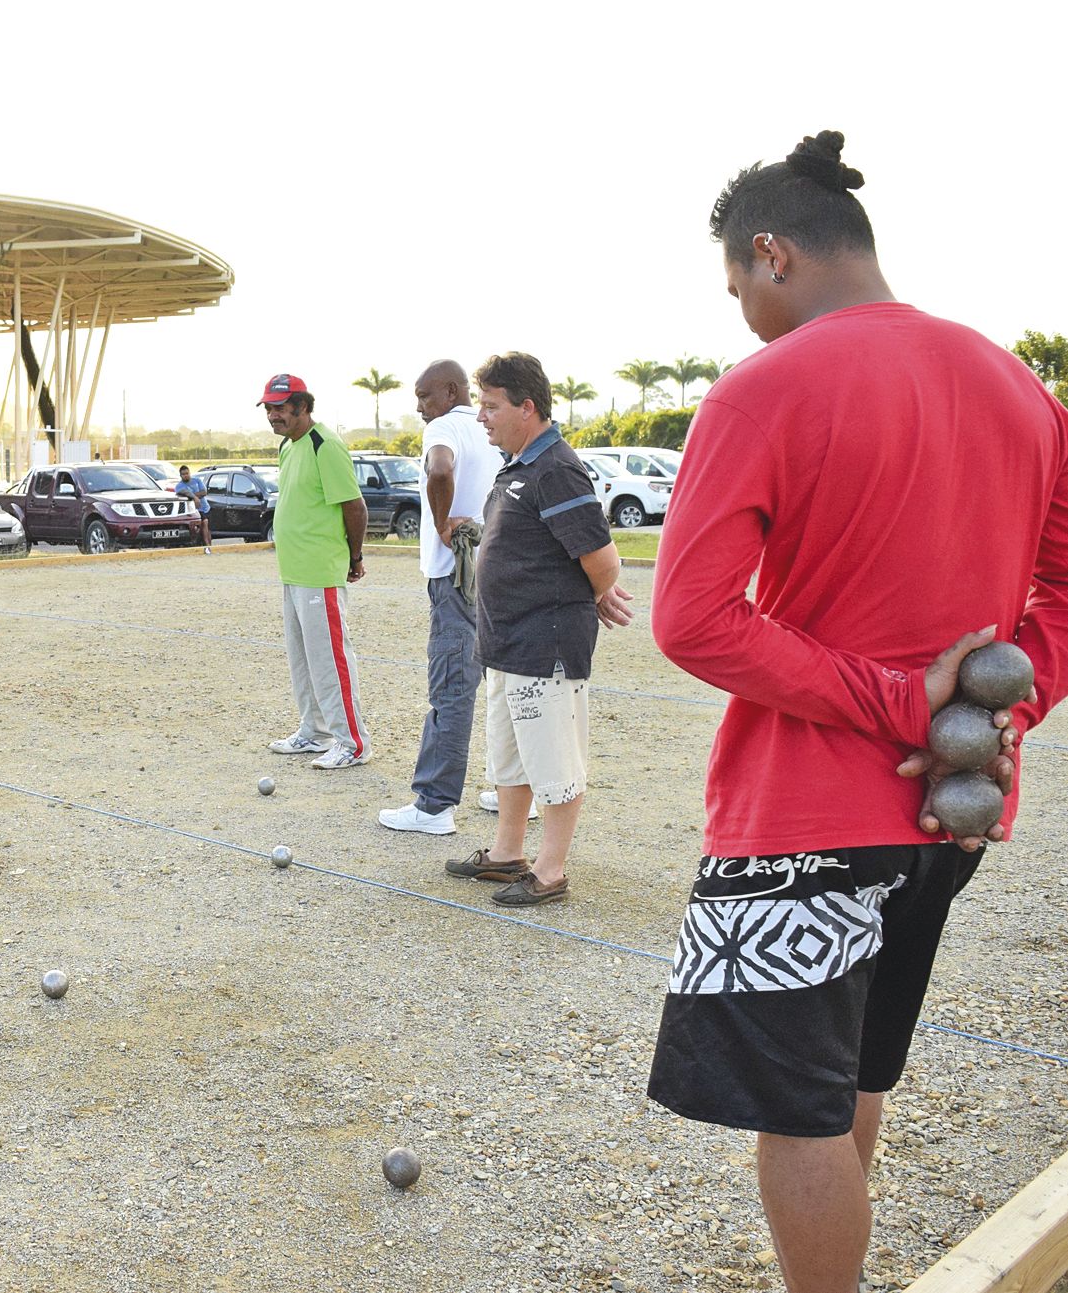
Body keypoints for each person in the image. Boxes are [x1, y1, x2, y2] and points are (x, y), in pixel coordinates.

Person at [646, 131, 1067, 1293]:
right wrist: (1005, 690)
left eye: (738, 287)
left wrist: (891, 698)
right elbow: (1063, 584)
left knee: (798, 1111)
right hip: (951, 809)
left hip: (804, 823)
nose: (742, 314)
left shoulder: (763, 387)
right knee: (849, 1084)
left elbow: (690, 618)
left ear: (771, 252)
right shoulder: (1019, 386)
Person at [443, 352, 631, 905]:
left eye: (491, 405)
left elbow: (603, 558)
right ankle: (507, 853)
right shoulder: (521, 462)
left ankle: (550, 872)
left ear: (527, 407)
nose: (482, 416)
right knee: (511, 757)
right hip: (506, 645)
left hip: (545, 645)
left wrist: (594, 592)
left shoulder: (556, 467)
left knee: (553, 760)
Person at [378, 360, 504, 835]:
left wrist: (440, 522)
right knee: (505, 683)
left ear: (450, 391)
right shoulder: (491, 428)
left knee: (452, 683)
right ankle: (514, 790)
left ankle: (434, 804)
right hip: (496, 571)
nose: (418, 407)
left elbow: (440, 469)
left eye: (423, 396)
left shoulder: (446, 429)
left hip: (456, 576)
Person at [259, 372, 372, 770]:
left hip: (320, 572)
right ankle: (315, 731)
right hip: (293, 572)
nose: (274, 415)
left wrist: (354, 557)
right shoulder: (290, 447)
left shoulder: (326, 444)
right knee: (303, 659)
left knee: (330, 659)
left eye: (281, 408)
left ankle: (352, 743)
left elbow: (354, 506)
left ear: (303, 406)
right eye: (269, 408)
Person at [174, 464, 212, 552]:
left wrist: (193, 497)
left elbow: (204, 492)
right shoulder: (179, 486)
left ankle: (209, 547)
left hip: (205, 508)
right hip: (195, 510)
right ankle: (207, 546)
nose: (185, 475)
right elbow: (184, 492)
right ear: (180, 475)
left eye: (187, 473)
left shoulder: (197, 480)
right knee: (204, 523)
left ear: (189, 473)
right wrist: (195, 498)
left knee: (207, 528)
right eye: (183, 474)